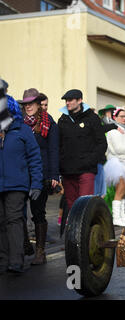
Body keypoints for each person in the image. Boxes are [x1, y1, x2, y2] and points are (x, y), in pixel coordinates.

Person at [0, 90, 42, 274]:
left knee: (14, 220)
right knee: (1, 222)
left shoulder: (22, 130)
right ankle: (3, 261)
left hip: (17, 184)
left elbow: (35, 158)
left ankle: (16, 261)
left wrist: (37, 184)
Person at [18, 88, 59, 265]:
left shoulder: (49, 123)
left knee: (38, 212)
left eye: (31, 103)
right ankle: (25, 243)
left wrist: (53, 175)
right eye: (26, 104)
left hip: (41, 174)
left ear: (38, 104)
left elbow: (54, 150)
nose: (28, 107)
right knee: (17, 212)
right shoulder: (18, 123)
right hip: (20, 173)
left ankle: (40, 252)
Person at [58, 89, 107, 212]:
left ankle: (86, 231)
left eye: (70, 100)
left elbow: (102, 143)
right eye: (66, 101)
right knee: (71, 206)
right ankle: (73, 231)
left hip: (86, 169)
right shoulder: (63, 120)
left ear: (79, 100)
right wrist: (61, 164)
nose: (67, 103)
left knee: (85, 205)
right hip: (68, 170)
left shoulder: (92, 118)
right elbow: (59, 144)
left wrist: (91, 160)